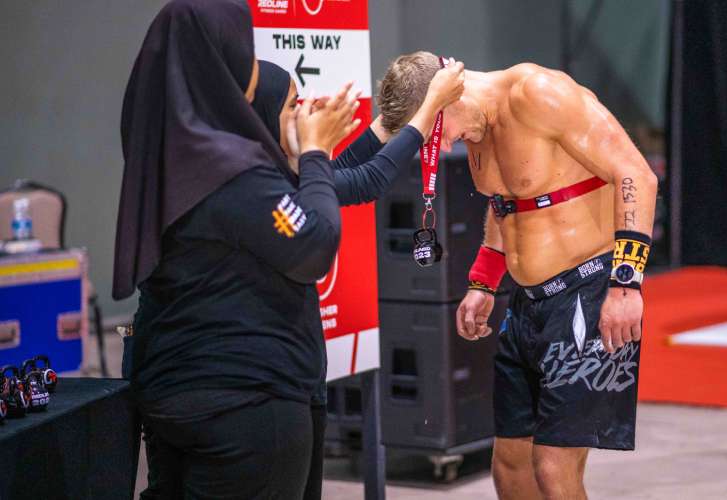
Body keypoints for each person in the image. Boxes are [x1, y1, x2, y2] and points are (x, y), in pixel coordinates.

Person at [112, 1, 461, 497]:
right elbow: (314, 242)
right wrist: (318, 151)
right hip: (244, 403)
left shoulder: (183, 156)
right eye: (247, 54)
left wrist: (388, 124)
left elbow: (349, 181)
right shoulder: (236, 174)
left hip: (173, 386)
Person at [377, 53, 657, 500]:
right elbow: (506, 201)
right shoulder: (477, 127)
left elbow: (636, 175)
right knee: (509, 468)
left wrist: (626, 284)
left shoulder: (538, 94)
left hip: (587, 289)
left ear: (449, 96)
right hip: (526, 301)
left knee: (553, 468)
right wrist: (483, 280)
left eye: (434, 130)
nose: (442, 146)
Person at [249, 59, 465, 500]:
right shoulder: (262, 181)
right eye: (294, 105)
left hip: (299, 368)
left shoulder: (286, 174)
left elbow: (342, 171)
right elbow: (367, 181)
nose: (305, 114)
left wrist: (390, 122)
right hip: (270, 377)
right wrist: (428, 112)